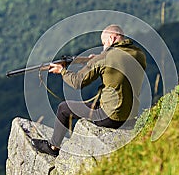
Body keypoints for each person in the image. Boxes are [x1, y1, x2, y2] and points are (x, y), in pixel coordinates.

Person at [31, 24, 147, 157]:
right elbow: (118, 65)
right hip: (130, 115)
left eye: (104, 43)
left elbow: (77, 82)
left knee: (64, 108)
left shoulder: (104, 58)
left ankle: (53, 147)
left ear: (111, 38)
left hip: (111, 117)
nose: (103, 46)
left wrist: (62, 71)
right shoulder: (139, 54)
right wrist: (97, 58)